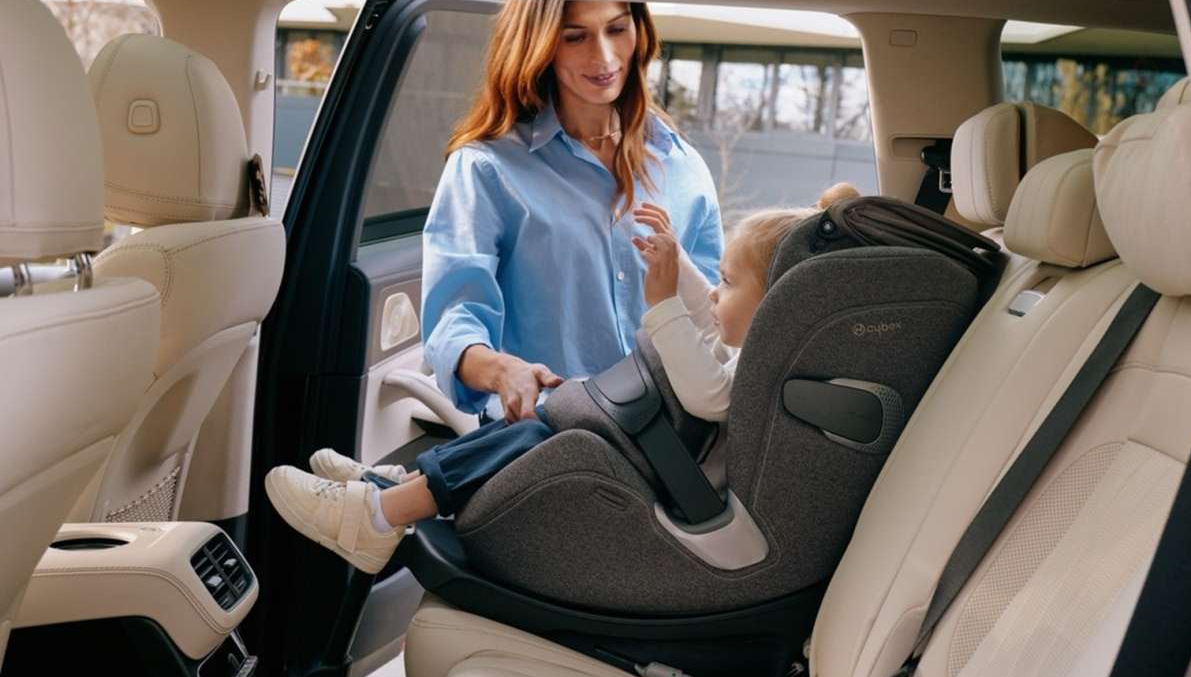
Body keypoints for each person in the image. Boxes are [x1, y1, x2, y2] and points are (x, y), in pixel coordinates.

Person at [264, 184, 861, 565]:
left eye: (727, 283)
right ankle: (394, 488)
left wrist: (661, 306)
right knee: (545, 415)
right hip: (660, 458)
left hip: (675, 489)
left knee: (538, 434)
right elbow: (709, 324)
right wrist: (676, 264)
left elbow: (708, 396)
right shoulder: (767, 349)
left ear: (777, 303)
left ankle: (378, 518)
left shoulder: (759, 368)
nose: (713, 295)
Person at [421, 0, 724, 426]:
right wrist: (503, 370)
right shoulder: (487, 168)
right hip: (547, 430)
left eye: (616, 29)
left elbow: (716, 322)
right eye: (575, 37)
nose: (604, 56)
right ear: (540, 45)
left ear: (640, 32)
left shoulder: (684, 166)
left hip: (667, 434)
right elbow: (454, 320)